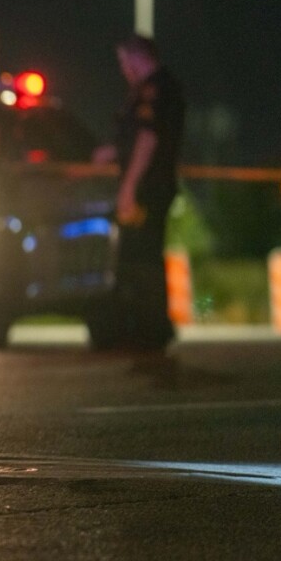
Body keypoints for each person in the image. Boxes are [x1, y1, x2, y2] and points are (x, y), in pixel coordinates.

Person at [90, 34, 186, 351]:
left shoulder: (155, 90)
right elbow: (134, 140)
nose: (123, 69)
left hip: (148, 187)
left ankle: (152, 328)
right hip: (148, 183)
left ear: (137, 58)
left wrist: (129, 187)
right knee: (137, 257)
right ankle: (144, 326)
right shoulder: (148, 91)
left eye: (123, 62)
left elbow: (148, 140)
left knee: (143, 258)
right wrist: (113, 152)